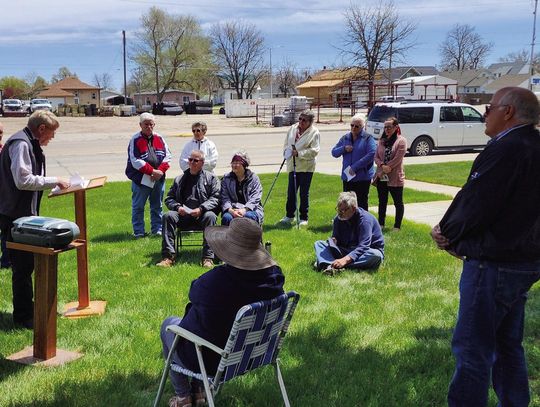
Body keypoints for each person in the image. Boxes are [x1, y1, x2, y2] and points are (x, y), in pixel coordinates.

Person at [431, 87, 540, 407]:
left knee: (472, 350)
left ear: (508, 112)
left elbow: (477, 200)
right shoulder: (534, 145)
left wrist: (447, 233)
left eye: (489, 108)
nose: (484, 114)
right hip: (524, 261)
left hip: (493, 263)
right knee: (508, 346)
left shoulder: (506, 147)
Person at [160, 217, 285, 407]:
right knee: (204, 329)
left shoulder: (217, 282)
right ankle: (199, 393)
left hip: (217, 360)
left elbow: (194, 292)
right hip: (254, 354)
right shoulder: (274, 277)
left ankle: (183, 397)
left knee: (169, 325)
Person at [0, 111, 70, 329]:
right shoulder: (21, 143)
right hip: (13, 215)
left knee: (27, 265)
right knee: (22, 267)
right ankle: (23, 316)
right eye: (51, 133)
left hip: (21, 213)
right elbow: (23, 180)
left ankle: (30, 310)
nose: (52, 137)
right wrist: (55, 180)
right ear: (41, 129)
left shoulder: (28, 142)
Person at [156, 150, 220, 268]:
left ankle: (207, 258)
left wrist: (201, 209)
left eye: (196, 160)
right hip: (183, 215)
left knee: (211, 216)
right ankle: (168, 257)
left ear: (202, 162)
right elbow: (169, 198)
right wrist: (177, 207)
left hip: (202, 216)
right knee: (168, 216)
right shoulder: (179, 179)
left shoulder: (211, 179)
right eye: (190, 160)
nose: (192, 163)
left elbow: (216, 198)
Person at [314, 191, 384, 275]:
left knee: (376, 256)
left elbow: (364, 246)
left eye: (343, 210)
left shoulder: (365, 220)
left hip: (365, 251)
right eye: (338, 210)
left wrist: (344, 260)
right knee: (319, 244)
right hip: (346, 250)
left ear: (353, 208)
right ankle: (333, 265)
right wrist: (334, 241)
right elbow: (336, 237)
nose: (340, 213)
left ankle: (329, 264)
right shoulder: (338, 219)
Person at [125, 112, 171, 238]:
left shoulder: (159, 138)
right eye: (146, 124)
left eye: (151, 124)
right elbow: (135, 160)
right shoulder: (135, 139)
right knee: (138, 206)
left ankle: (157, 230)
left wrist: (160, 171)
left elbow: (168, 156)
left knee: (157, 206)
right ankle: (138, 231)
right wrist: (151, 171)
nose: (148, 127)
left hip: (158, 179)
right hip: (141, 179)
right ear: (140, 125)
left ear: (154, 124)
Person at [279, 110, 320, 227]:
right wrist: (286, 152)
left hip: (306, 167)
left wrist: (299, 153)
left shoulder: (314, 132)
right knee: (291, 192)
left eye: (304, 120)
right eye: (300, 119)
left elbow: (315, 151)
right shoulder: (293, 128)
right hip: (293, 165)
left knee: (303, 193)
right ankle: (289, 215)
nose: (301, 122)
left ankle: (303, 217)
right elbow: (286, 143)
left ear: (310, 122)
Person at [331, 113, 376, 210]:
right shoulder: (345, 138)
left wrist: (355, 167)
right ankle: (348, 222)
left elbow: (372, 154)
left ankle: (362, 223)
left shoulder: (368, 138)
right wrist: (344, 149)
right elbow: (334, 152)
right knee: (347, 202)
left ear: (363, 126)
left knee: (361, 202)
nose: (354, 128)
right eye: (352, 125)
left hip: (362, 177)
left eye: (357, 126)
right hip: (348, 176)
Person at [373, 117, 407, 230]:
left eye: (389, 127)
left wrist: (388, 167)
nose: (387, 129)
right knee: (382, 201)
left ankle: (397, 226)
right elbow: (376, 156)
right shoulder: (382, 141)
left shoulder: (401, 141)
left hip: (395, 177)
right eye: (385, 127)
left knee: (398, 202)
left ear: (396, 127)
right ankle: (381, 224)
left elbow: (398, 158)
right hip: (381, 176)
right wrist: (382, 166)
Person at [220, 150, 263, 226]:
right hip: (232, 209)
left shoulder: (253, 178)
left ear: (244, 164)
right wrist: (231, 210)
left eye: (237, 163)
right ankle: (228, 238)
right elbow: (224, 197)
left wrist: (244, 210)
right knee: (227, 218)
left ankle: (250, 238)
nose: (234, 165)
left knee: (248, 216)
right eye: (233, 162)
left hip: (250, 209)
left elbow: (255, 197)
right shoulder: (226, 179)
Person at [0, 121, 11, 269]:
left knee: (6, 230)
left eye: (1, 133)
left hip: (4, 196)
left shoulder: (4, 148)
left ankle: (6, 261)